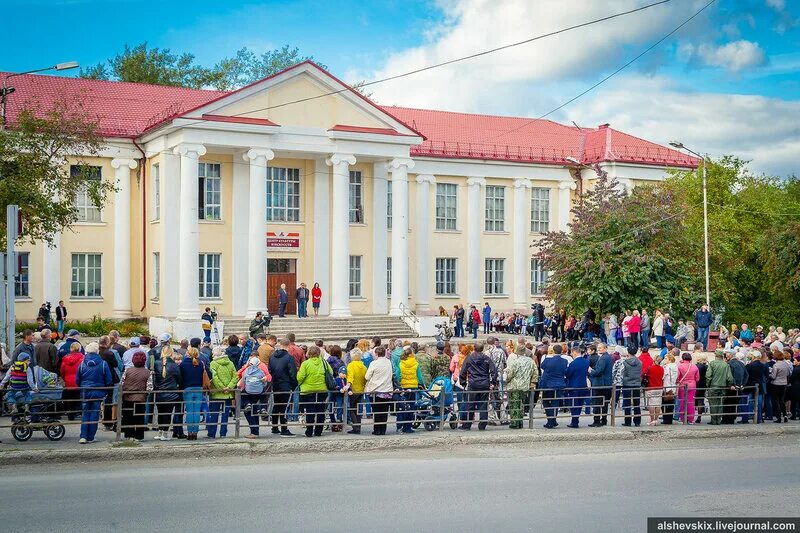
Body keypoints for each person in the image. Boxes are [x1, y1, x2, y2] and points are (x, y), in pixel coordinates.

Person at [75, 342, 113, 444]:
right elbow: (109, 380)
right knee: (94, 414)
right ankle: (91, 436)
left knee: (85, 413)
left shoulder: (82, 364)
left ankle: (83, 436)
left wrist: (82, 386)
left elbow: (77, 380)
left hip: (85, 391)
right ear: (97, 351)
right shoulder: (103, 363)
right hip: (98, 391)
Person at [296, 345, 330, 437]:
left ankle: (309, 431)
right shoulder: (324, 363)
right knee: (320, 411)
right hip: (322, 390)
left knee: (310, 411)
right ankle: (319, 431)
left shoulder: (305, 364)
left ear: (309, 353)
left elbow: (300, 378)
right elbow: (330, 373)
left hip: (308, 391)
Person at [268, 338, 298, 437]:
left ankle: (275, 427)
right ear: (288, 346)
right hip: (286, 385)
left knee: (276, 405)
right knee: (284, 407)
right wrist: (294, 385)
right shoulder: (289, 357)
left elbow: (270, 371)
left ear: (280, 345)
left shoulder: (272, 357)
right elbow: (293, 373)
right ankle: (284, 429)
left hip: (275, 384)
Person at [179, 347, 211, 440]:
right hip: (199, 388)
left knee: (189, 412)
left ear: (188, 353)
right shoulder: (201, 363)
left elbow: (180, 377)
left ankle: (190, 432)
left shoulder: (183, 364)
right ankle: (195, 432)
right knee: (196, 411)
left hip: (187, 388)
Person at [152, 345, 183, 440]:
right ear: (171, 353)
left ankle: (160, 431)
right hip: (171, 393)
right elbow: (180, 379)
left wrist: (157, 388)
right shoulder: (174, 365)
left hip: (159, 392)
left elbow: (154, 379)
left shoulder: (157, 363)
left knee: (160, 413)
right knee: (168, 414)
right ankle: (165, 433)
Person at [237, 356, 271, 439]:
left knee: (248, 412)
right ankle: (262, 409)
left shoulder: (246, 370)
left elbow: (239, 376)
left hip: (248, 393)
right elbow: (268, 379)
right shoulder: (262, 369)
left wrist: (245, 366)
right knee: (254, 411)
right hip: (259, 392)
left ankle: (254, 432)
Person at [207, 346, 237, 438]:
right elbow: (235, 376)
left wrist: (222, 387)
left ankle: (212, 433)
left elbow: (214, 378)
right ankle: (223, 433)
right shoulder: (230, 363)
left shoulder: (213, 363)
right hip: (228, 394)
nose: (212, 354)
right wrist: (229, 387)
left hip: (217, 393)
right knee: (225, 415)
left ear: (218, 353)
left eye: (213, 352)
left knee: (214, 414)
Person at [120, 351, 151, 441]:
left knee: (128, 416)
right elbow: (149, 387)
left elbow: (121, 383)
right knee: (139, 417)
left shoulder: (127, 370)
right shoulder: (148, 372)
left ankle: (129, 435)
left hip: (127, 397)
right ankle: (139, 436)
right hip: (141, 398)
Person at [365, 346, 393, 435]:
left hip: (376, 391)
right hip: (387, 391)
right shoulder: (388, 362)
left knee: (376, 412)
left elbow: (367, 377)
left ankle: (377, 430)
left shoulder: (374, 363)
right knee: (384, 412)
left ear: (376, 354)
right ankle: (383, 430)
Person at [505, 344, 534, 429]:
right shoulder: (530, 361)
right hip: (525, 385)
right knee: (522, 403)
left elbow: (510, 374)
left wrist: (507, 380)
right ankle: (520, 421)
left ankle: (515, 423)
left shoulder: (514, 361)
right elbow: (535, 372)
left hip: (514, 386)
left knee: (514, 404)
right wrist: (532, 382)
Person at [395, 347, 423, 433]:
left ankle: (399, 426)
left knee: (402, 407)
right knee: (411, 407)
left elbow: (397, 376)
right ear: (411, 354)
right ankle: (407, 427)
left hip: (403, 388)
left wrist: (399, 382)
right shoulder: (416, 364)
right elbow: (420, 377)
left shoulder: (401, 364)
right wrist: (422, 384)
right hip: (413, 387)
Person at [539, 344, 568, 429]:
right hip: (559, 385)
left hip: (547, 385)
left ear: (553, 351)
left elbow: (542, 366)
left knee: (546, 402)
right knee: (555, 403)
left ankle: (550, 421)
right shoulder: (564, 361)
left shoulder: (547, 360)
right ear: (561, 351)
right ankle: (553, 420)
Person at [588, 343, 613, 427]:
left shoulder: (603, 358)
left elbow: (598, 371)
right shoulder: (607, 357)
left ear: (605, 348)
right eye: (598, 347)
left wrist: (591, 371)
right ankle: (604, 420)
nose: (598, 349)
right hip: (606, 384)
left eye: (600, 348)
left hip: (600, 384)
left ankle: (597, 421)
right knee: (604, 403)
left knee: (598, 403)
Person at [706, 349, 733, 425]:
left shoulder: (712, 364)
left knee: (713, 404)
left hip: (713, 386)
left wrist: (708, 385)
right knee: (720, 404)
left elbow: (708, 376)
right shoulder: (726, 364)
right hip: (723, 387)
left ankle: (714, 420)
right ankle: (718, 420)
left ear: (716, 355)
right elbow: (730, 378)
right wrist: (728, 385)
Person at [565, 346, 590, 428]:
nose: (571, 354)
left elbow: (568, 374)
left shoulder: (573, 363)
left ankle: (574, 421)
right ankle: (576, 420)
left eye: (572, 353)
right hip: (583, 385)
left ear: (575, 352)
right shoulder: (586, 361)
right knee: (579, 404)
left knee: (574, 404)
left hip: (574, 386)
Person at [60, 341, 85, 420]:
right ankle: (79, 413)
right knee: (79, 398)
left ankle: (70, 415)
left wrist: (65, 378)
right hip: (79, 381)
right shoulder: (83, 358)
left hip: (68, 381)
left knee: (70, 399)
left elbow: (62, 371)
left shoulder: (65, 358)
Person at [345, 348, 367, 434]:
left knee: (352, 409)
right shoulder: (363, 366)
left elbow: (350, 377)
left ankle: (356, 427)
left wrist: (348, 385)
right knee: (358, 410)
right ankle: (358, 427)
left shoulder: (351, 365)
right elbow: (365, 379)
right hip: (361, 390)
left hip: (353, 390)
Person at [620, 347, 642, 427]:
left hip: (627, 384)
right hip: (637, 383)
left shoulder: (625, 362)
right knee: (637, 403)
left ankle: (627, 421)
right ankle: (637, 421)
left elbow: (622, 373)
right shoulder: (639, 362)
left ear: (628, 352)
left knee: (627, 403)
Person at [676, 352, 700, 424]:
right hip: (692, 386)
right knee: (690, 402)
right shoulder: (694, 367)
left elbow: (677, 377)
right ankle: (691, 419)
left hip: (682, 386)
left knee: (682, 402)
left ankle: (683, 418)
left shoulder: (680, 366)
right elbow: (697, 378)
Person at [769, 350, 792, 423]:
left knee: (776, 401)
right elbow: (789, 373)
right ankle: (785, 415)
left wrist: (769, 374)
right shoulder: (786, 364)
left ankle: (778, 417)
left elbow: (773, 376)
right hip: (784, 383)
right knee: (782, 400)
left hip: (776, 384)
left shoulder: (776, 365)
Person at [644, 355, 665, 425]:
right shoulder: (662, 369)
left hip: (651, 387)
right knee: (658, 404)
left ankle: (652, 420)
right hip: (659, 388)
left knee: (651, 404)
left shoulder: (650, 368)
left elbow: (644, 374)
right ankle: (656, 420)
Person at [661, 350, 678, 424]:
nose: (664, 360)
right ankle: (669, 419)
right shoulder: (676, 366)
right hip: (673, 387)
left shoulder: (667, 367)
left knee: (664, 404)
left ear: (670, 359)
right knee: (671, 404)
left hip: (666, 387)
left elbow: (663, 377)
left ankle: (665, 419)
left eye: (666, 358)